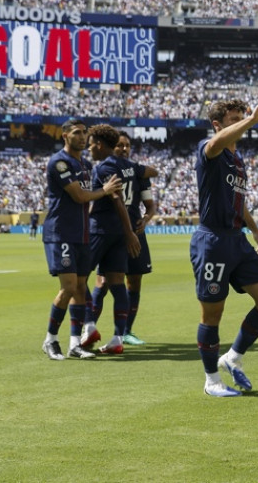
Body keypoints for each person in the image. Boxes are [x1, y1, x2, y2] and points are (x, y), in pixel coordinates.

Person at [193, 98, 258, 397]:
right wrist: (254, 120)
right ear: (218, 124)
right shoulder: (209, 148)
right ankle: (211, 380)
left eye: (242, 116)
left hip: (237, 240)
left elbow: (238, 203)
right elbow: (216, 143)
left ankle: (232, 357)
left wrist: (256, 232)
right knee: (212, 315)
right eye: (234, 118)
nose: (240, 121)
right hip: (213, 241)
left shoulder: (238, 160)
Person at [40, 118, 122, 361]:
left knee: (79, 289)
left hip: (82, 234)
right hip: (61, 233)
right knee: (67, 287)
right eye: (76, 132)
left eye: (84, 133)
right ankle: (50, 340)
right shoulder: (59, 163)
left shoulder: (85, 164)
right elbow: (78, 196)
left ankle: (75, 343)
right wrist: (104, 191)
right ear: (64, 136)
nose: (82, 136)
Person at [87, 131, 158, 346]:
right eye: (120, 145)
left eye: (127, 145)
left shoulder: (137, 173)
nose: (124, 149)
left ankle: (125, 332)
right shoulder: (108, 169)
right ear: (112, 146)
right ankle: (89, 328)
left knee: (134, 281)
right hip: (114, 230)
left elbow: (150, 206)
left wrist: (145, 220)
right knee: (104, 281)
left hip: (134, 231)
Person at [82, 124, 142, 355]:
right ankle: (118, 337)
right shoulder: (128, 166)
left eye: (91, 145)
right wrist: (127, 233)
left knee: (79, 278)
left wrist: (130, 233)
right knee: (117, 283)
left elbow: (116, 199)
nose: (89, 149)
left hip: (102, 229)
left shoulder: (104, 167)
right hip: (119, 233)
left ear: (99, 144)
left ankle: (89, 326)